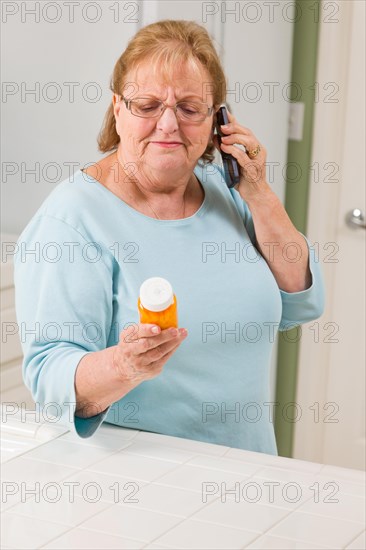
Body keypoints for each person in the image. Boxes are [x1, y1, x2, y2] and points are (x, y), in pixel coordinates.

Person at [14, 20, 324, 454]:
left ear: (218, 120)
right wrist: (123, 365)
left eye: (190, 107)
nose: (168, 124)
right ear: (118, 109)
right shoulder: (71, 222)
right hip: (142, 489)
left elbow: (300, 300)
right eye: (147, 105)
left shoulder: (224, 189)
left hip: (252, 471)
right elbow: (50, 381)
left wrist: (259, 192)